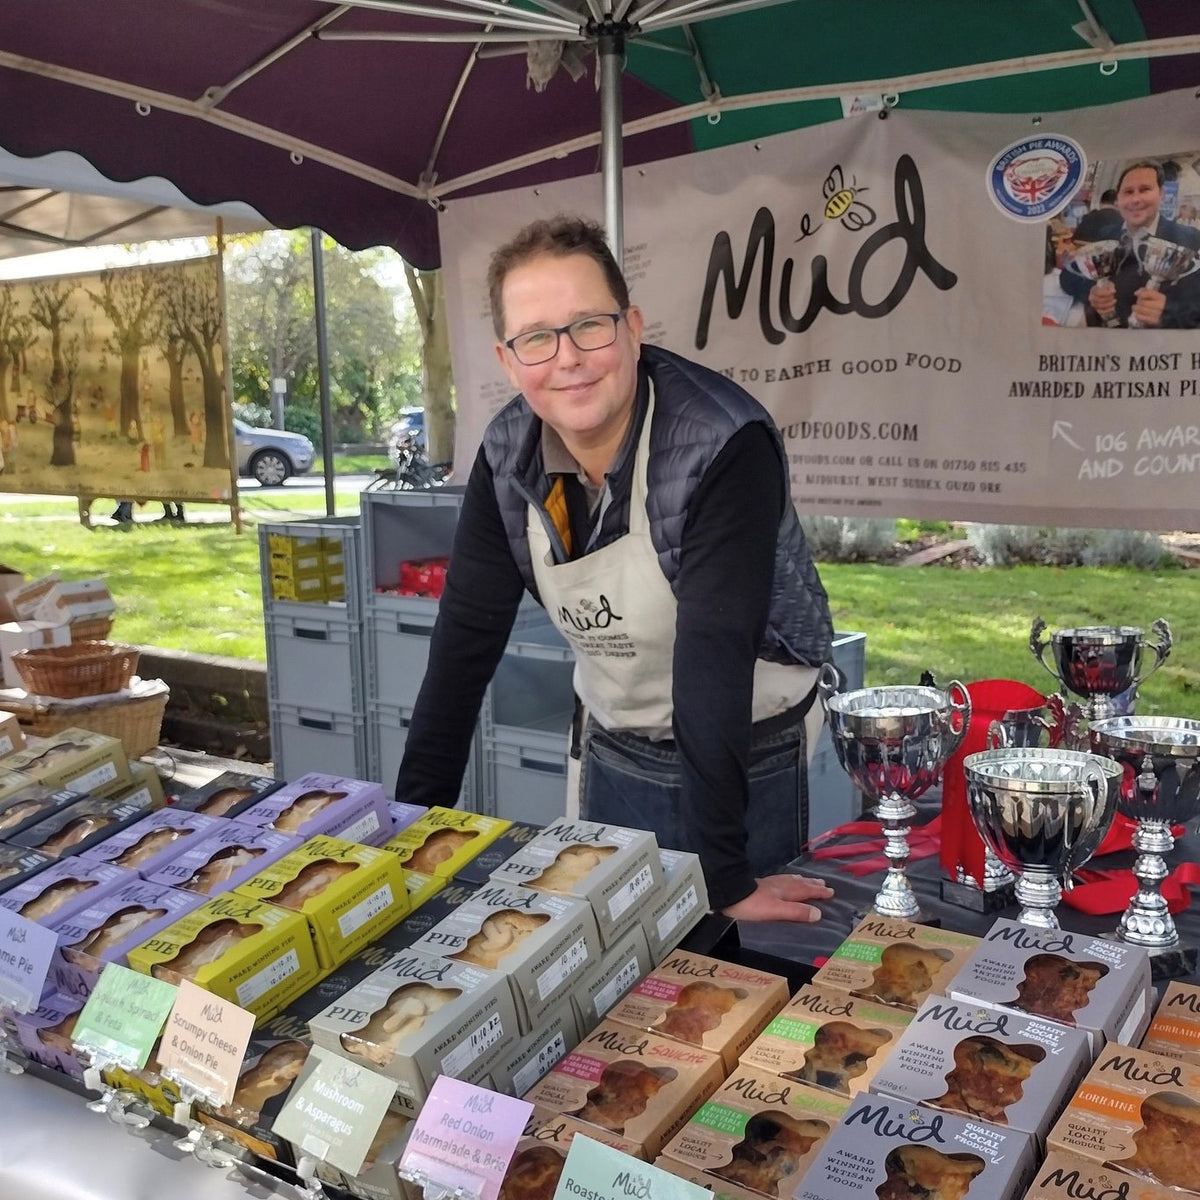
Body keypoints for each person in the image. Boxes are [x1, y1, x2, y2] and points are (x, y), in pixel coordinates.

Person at [395, 215, 836, 925]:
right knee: (616, 966)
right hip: (613, 737)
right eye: (537, 337)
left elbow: (713, 656)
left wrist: (725, 880)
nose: (566, 358)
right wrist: (409, 825)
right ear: (508, 362)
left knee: (739, 972)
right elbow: (465, 640)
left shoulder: (723, 443)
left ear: (631, 328)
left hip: (745, 748)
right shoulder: (507, 454)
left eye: (588, 326)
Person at [1060, 161, 1200, 328]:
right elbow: (1068, 278)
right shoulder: (1106, 234)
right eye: (1128, 192)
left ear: (1161, 193)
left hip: (1161, 346)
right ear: (1118, 199)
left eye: (1145, 190)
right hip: (1108, 344)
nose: (1135, 199)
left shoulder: (1190, 239)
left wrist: (1169, 312)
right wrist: (1091, 293)